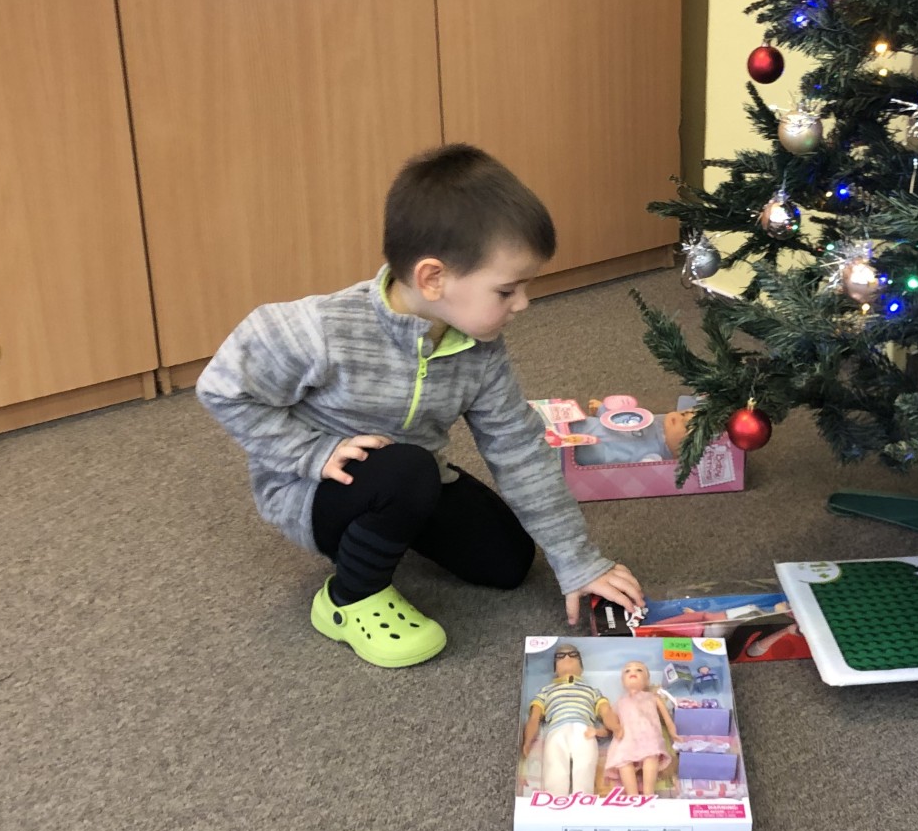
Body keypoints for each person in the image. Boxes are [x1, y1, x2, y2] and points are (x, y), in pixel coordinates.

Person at [197, 144, 646, 667]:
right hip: (310, 488)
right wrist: (310, 453)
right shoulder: (320, 328)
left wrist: (577, 560)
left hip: (409, 473)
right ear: (433, 278)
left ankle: (389, 521)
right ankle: (347, 599)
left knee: (508, 562)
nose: (523, 303)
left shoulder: (479, 351)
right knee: (407, 471)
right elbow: (222, 387)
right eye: (507, 290)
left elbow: (519, 450)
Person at [520, 644, 617, 795]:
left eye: (573, 655)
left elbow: (606, 712)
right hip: (556, 730)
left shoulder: (592, 691)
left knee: (585, 766)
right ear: (555, 669)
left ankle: (583, 800)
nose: (567, 658)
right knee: (555, 767)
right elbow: (534, 718)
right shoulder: (546, 691)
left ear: (581, 667)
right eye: (560, 656)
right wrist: (527, 741)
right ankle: (555, 800)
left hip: (585, 730)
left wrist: (616, 728)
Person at [604, 659, 675, 797]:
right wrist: (610, 729)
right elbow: (610, 721)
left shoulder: (653, 697)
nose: (633, 672)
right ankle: (632, 795)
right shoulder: (619, 702)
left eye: (639, 670)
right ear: (622, 681)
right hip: (626, 737)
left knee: (651, 756)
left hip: (649, 735)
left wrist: (673, 732)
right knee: (623, 761)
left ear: (647, 681)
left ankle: (649, 793)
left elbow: (667, 719)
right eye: (627, 671)